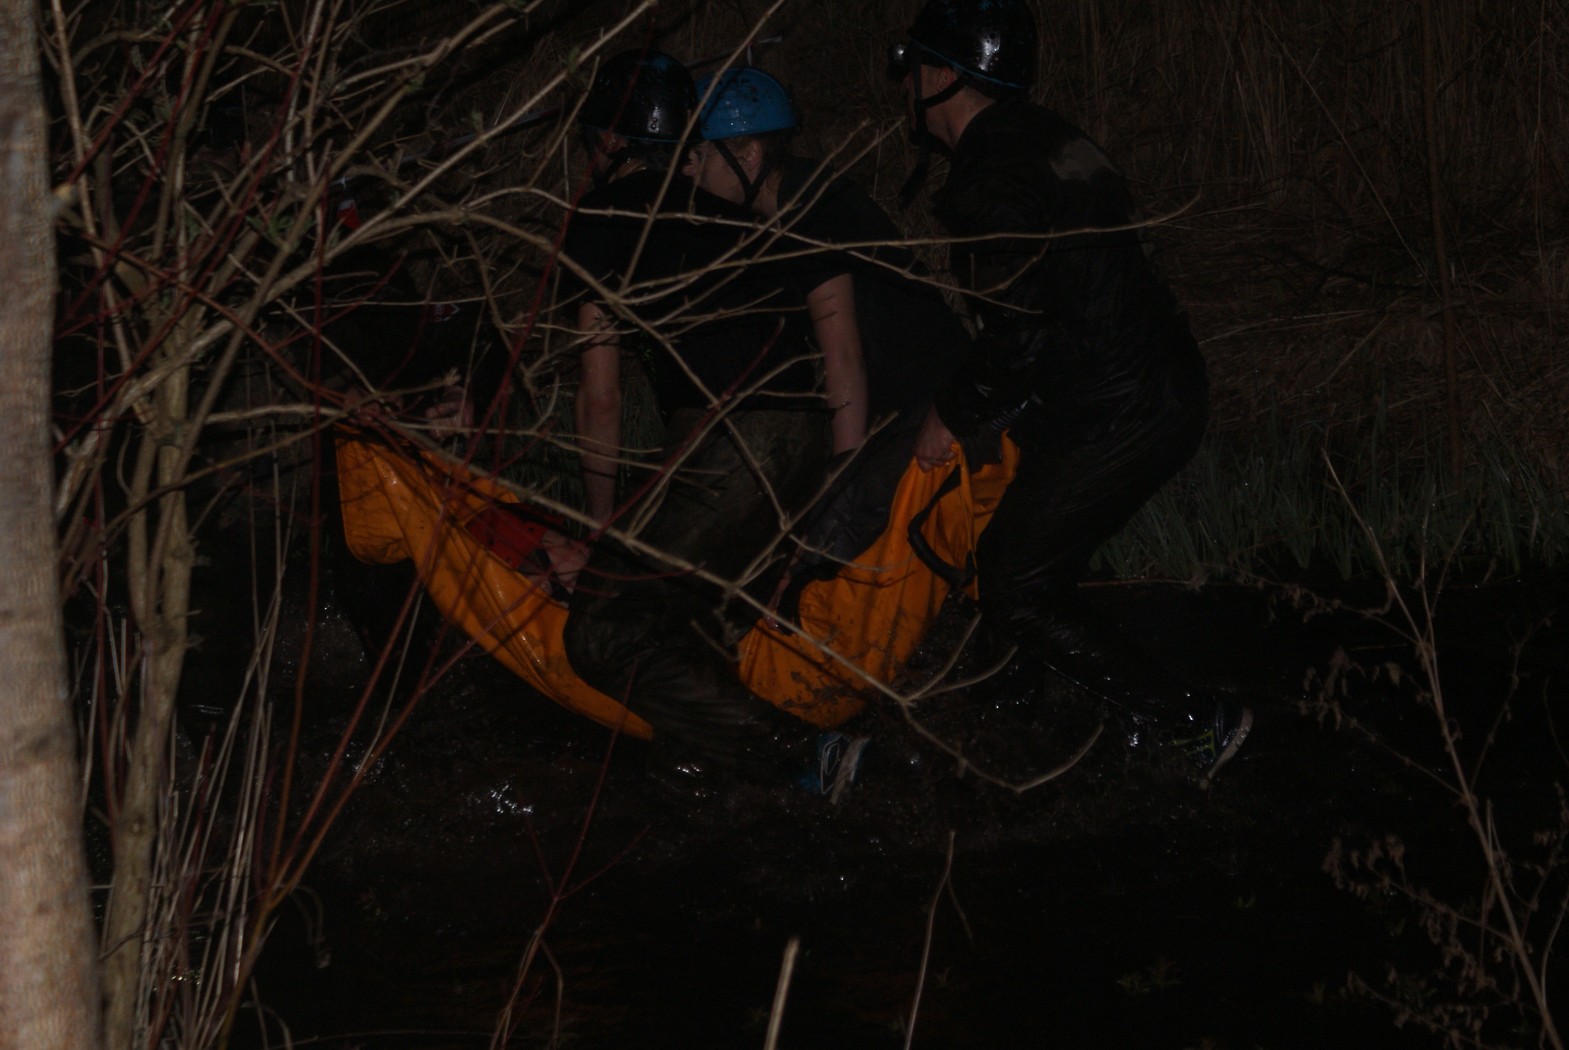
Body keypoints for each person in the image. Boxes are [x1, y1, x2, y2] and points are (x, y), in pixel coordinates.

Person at [887, 0, 1251, 780]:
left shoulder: (992, 180)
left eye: (912, 65)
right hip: (1131, 385)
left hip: (1122, 408)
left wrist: (949, 413)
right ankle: (1009, 715)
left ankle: (1192, 722)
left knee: (1015, 582)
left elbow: (1016, 334)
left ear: (943, 74)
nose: (904, 83)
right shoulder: (1046, 137)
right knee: (1016, 553)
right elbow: (1062, 302)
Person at [556, 49, 832, 792]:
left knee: (602, 634)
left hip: (734, 437)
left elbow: (601, 397)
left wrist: (600, 531)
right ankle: (720, 790)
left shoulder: (602, 217)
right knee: (691, 633)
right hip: (807, 438)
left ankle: (813, 759)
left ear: (607, 141)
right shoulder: (730, 215)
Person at [682, 67, 968, 588]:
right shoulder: (796, 197)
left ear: (748, 155)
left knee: (815, 556)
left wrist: (840, 475)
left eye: (699, 155)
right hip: (910, 396)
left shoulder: (807, 214)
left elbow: (844, 356)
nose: (688, 169)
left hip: (924, 403)